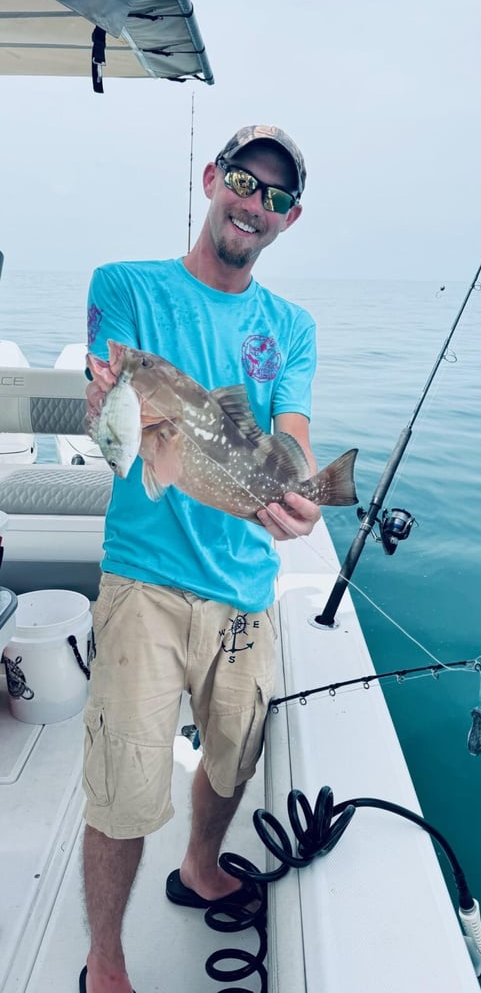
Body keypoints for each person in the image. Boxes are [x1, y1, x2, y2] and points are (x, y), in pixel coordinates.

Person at [81, 125, 321, 993]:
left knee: (231, 761)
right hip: (144, 581)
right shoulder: (126, 287)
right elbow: (108, 418)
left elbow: (290, 433)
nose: (256, 205)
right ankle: (105, 959)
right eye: (246, 183)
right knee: (123, 786)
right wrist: (110, 398)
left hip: (246, 589)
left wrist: (295, 488)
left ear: (290, 220)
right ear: (213, 178)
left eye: (278, 197)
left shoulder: (291, 326)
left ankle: (201, 865)